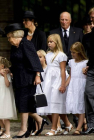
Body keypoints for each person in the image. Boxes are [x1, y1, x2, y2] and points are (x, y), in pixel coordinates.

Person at [4, 23, 49, 138]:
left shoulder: (26, 44)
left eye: (9, 37)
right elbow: (16, 62)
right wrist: (9, 70)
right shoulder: (14, 47)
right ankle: (40, 120)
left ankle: (23, 129)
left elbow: (35, 60)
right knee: (21, 103)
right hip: (19, 78)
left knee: (24, 103)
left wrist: (38, 75)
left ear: (16, 36)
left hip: (29, 78)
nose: (8, 40)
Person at [49, 11, 84, 128]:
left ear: (70, 21)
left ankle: (79, 120)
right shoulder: (53, 33)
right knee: (62, 93)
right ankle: (65, 123)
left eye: (66, 20)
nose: (64, 22)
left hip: (76, 63)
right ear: (59, 20)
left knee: (75, 92)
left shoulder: (78, 32)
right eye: (62, 20)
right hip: (60, 66)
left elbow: (83, 49)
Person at [22, 10, 48, 133]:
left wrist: (37, 71)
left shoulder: (41, 34)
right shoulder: (24, 35)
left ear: (32, 21)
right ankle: (31, 125)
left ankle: (36, 124)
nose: (24, 22)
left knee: (33, 97)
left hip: (36, 69)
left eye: (26, 20)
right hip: (25, 69)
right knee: (27, 97)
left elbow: (42, 52)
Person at [43, 34, 73, 136]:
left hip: (58, 81)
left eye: (51, 42)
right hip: (49, 81)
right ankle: (68, 124)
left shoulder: (61, 55)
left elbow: (63, 70)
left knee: (55, 103)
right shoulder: (48, 55)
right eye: (48, 42)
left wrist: (63, 84)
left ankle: (54, 128)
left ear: (57, 43)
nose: (49, 43)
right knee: (51, 103)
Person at [65, 42, 88, 135]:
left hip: (81, 85)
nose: (72, 54)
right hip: (72, 85)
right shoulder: (71, 62)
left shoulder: (85, 62)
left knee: (80, 107)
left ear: (79, 52)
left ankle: (78, 128)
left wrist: (86, 71)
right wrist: (64, 85)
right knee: (71, 107)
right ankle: (85, 121)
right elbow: (70, 75)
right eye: (71, 52)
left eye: (74, 52)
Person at [82, 7, 94, 135]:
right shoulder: (87, 37)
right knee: (88, 93)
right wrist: (87, 65)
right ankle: (91, 124)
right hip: (92, 69)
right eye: (91, 17)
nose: (91, 20)